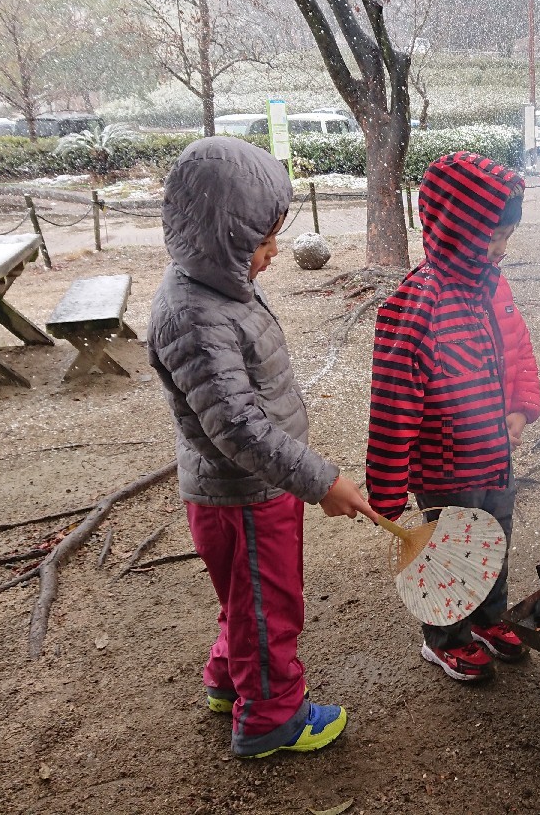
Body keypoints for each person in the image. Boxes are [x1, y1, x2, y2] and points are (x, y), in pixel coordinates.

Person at [149, 137, 378, 758]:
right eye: (263, 241)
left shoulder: (214, 286)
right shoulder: (195, 315)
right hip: (245, 493)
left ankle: (229, 680)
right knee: (268, 606)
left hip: (248, 488)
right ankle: (271, 717)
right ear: (220, 237)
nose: (275, 253)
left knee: (244, 599)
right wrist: (321, 480)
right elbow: (240, 428)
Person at [367, 151, 539, 682]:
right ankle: (445, 638)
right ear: (454, 228)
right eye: (491, 238)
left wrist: (517, 405)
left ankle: (489, 619)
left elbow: (506, 352)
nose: (500, 250)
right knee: (449, 550)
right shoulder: (414, 305)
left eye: (506, 236)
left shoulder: (485, 288)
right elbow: (394, 406)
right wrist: (388, 491)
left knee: (494, 539)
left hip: (491, 454)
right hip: (443, 465)